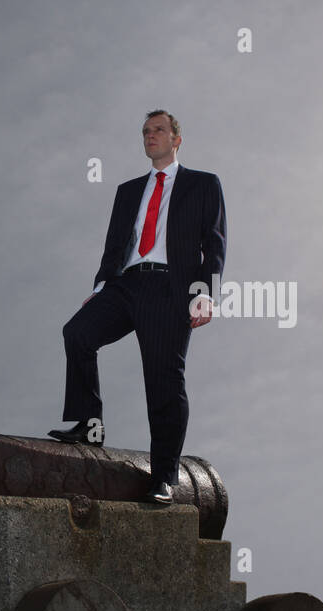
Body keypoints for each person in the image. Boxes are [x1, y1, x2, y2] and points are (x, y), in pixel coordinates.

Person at [48, 110, 226, 505]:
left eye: (159, 130)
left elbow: (214, 244)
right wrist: (100, 286)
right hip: (126, 283)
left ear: (177, 139)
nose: (150, 136)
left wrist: (205, 292)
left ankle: (165, 477)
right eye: (145, 131)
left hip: (171, 289)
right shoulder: (128, 191)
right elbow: (114, 245)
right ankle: (90, 423)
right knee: (77, 333)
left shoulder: (203, 184)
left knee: (163, 382)